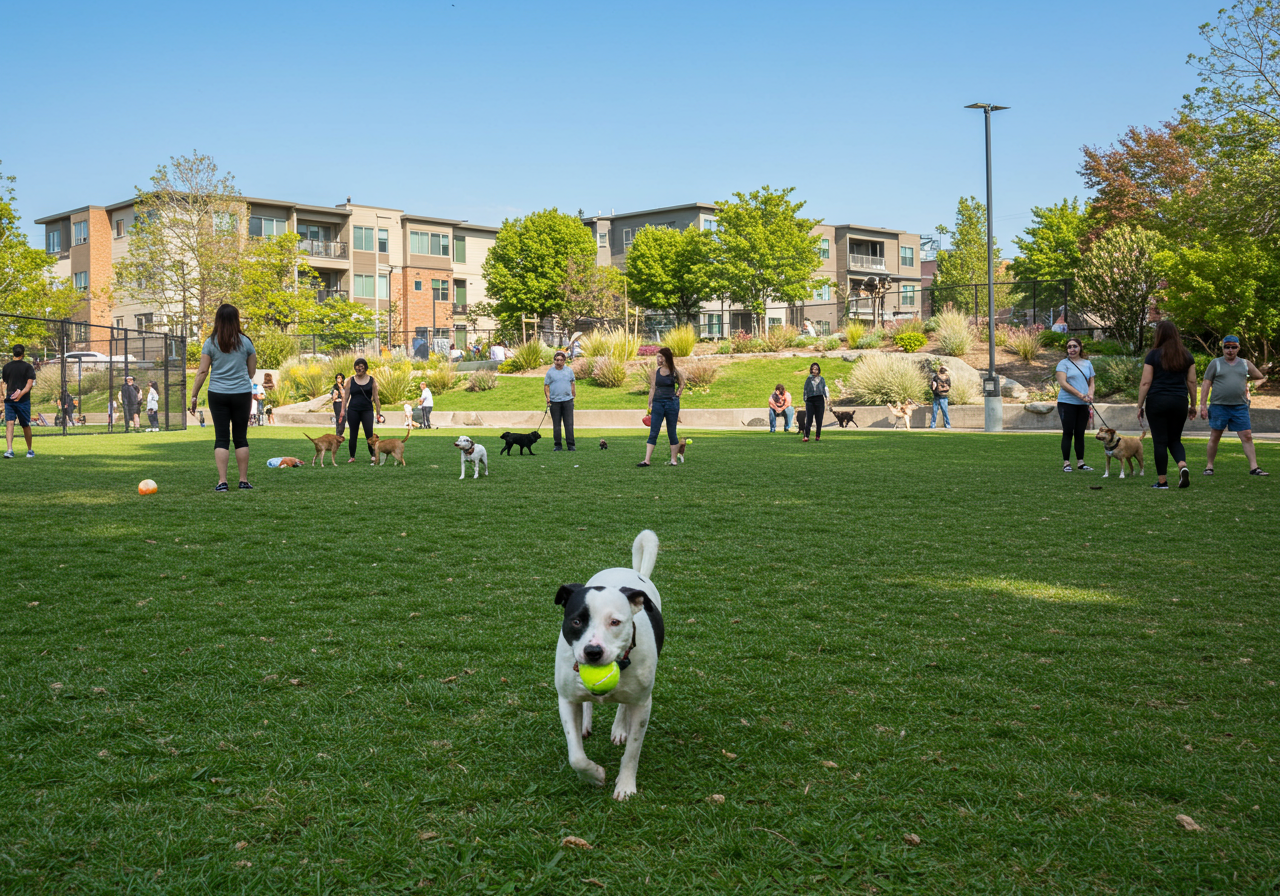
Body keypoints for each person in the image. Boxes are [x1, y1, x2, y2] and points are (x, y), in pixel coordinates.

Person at [189, 303, 257, 491]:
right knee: (240, 438)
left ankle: (222, 482)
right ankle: (243, 481)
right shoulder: (246, 342)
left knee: (221, 438)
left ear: (217, 320)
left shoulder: (210, 342)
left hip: (217, 394)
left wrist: (194, 396)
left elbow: (202, 371)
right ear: (236, 319)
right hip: (242, 394)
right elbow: (251, 373)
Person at [1138, 319, 1198, 489]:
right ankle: (1181, 464)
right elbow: (1192, 382)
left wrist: (1139, 405)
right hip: (1179, 401)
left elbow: (1145, 383)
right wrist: (1193, 405)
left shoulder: (1153, 355)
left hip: (1157, 401)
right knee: (1175, 439)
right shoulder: (1186, 355)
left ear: (1159, 335)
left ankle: (1162, 481)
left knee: (1159, 441)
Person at [1199, 335, 1268, 476]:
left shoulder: (1245, 364)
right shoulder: (1215, 363)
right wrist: (1203, 406)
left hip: (1240, 407)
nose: (1230, 350)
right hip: (1219, 406)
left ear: (1238, 348)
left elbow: (1259, 376)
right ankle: (1209, 466)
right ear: (1223, 348)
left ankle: (1254, 468)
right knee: (1215, 436)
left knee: (1247, 436)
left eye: (1233, 347)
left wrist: (1247, 384)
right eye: (1227, 347)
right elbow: (1206, 384)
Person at [638, 346, 686, 466]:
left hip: (672, 403)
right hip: (658, 403)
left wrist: (679, 391)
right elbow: (652, 388)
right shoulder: (655, 372)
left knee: (672, 432)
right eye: (657, 357)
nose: (658, 359)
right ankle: (647, 460)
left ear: (666, 358)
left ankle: (673, 460)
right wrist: (650, 403)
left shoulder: (674, 372)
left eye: (660, 357)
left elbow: (682, 382)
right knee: (654, 432)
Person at [1054, 337, 1096, 472]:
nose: (1072, 349)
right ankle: (1066, 463)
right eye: (1069, 347)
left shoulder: (1087, 363)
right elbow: (1063, 384)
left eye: (1074, 346)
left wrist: (1090, 394)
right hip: (1067, 402)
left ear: (1080, 347)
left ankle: (1081, 463)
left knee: (1080, 433)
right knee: (1068, 432)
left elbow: (1091, 382)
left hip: (1083, 403)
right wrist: (1080, 395)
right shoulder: (1063, 364)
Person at [339, 357, 381, 464]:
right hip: (353, 410)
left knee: (369, 433)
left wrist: (378, 412)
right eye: (357, 368)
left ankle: (372, 454)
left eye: (361, 367)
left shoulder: (371, 380)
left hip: (367, 410)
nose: (359, 370)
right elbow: (346, 397)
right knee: (353, 433)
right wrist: (342, 411)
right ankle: (352, 456)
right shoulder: (350, 380)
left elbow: (376, 397)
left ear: (365, 368)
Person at [3, 343, 36, 459]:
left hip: (12, 400)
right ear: (23, 354)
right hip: (22, 400)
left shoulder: (6, 367)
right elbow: (29, 385)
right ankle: (29, 450)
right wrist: (20, 394)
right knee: (25, 425)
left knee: (10, 424)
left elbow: (6, 382)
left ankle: (10, 450)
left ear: (13, 353)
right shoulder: (28, 367)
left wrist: (17, 394)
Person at [544, 350, 577, 451]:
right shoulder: (550, 372)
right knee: (556, 425)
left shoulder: (569, 371)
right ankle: (558, 445)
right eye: (557, 360)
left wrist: (573, 394)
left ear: (564, 361)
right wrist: (548, 398)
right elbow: (546, 386)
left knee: (569, 424)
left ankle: (570, 445)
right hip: (555, 402)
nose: (559, 362)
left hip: (567, 400)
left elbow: (572, 383)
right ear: (554, 361)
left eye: (561, 360)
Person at [801, 362, 829, 442]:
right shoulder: (808, 379)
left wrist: (827, 398)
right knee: (809, 419)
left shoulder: (822, 379)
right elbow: (805, 389)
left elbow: (824, 389)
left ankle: (818, 435)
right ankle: (806, 436)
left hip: (819, 399)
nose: (814, 370)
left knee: (819, 419)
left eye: (816, 369)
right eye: (813, 369)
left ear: (818, 370)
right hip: (810, 400)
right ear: (811, 370)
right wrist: (805, 399)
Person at [930, 365, 952, 429]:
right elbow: (949, 386)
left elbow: (933, 387)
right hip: (944, 396)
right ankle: (948, 425)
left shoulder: (936, 377)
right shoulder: (947, 378)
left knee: (934, 412)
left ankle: (933, 425)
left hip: (937, 396)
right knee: (945, 412)